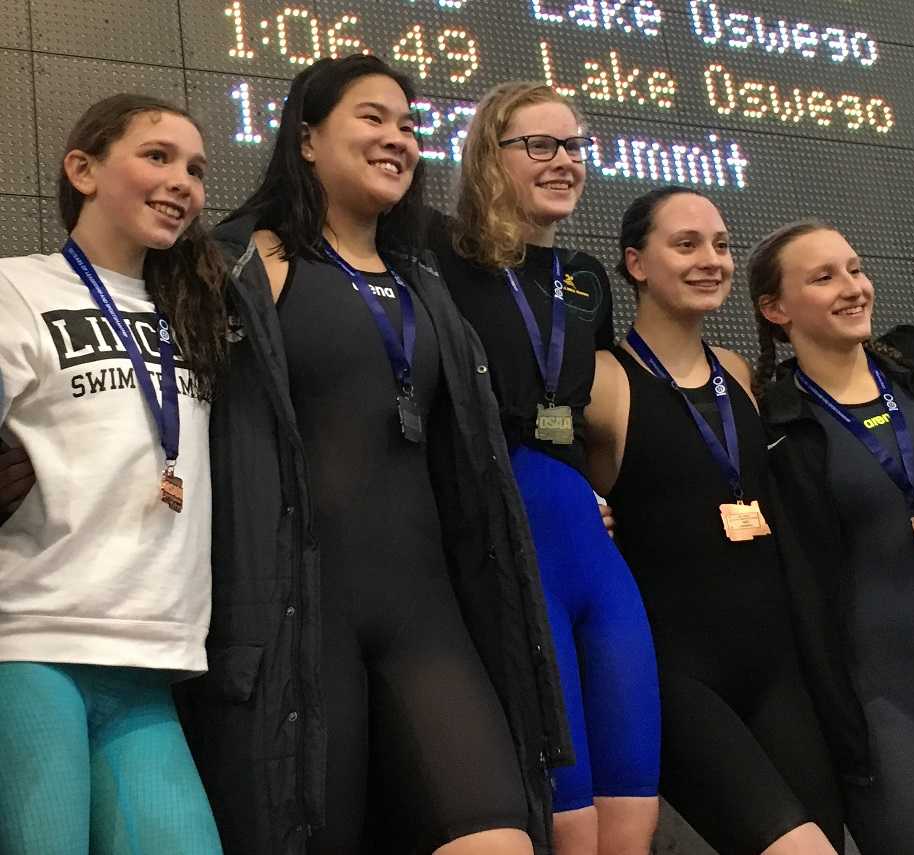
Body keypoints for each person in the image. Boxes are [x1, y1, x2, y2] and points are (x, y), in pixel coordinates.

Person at [174, 56, 571, 855]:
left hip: (430, 618)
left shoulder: (426, 284)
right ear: (308, 137)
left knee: (500, 839)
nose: (397, 138)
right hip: (297, 616)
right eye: (372, 117)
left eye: (409, 125)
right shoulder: (245, 264)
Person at [427, 81, 661, 855]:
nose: (566, 161)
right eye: (541, 145)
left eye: (575, 147)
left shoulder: (587, 278)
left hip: (590, 550)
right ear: (489, 155)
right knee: (569, 827)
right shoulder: (435, 255)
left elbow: (582, 404)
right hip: (508, 545)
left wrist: (595, 486)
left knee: (631, 820)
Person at [585, 187, 844, 855]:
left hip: (777, 671)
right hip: (678, 674)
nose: (711, 260)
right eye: (687, 244)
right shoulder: (605, 382)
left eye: (722, 245)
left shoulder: (737, 373)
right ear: (637, 263)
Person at [0, 93, 225, 854]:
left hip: (150, 657)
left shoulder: (191, 311)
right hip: (31, 641)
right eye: (157, 156)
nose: (182, 182)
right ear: (83, 169)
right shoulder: (18, 288)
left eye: (195, 168)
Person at [751, 220, 914, 855]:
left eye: (856, 269)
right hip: (888, 708)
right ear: (776, 309)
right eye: (824, 276)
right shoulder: (775, 427)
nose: (852, 287)